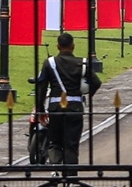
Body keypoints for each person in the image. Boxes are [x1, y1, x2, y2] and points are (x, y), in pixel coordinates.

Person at [34, 33, 101, 175]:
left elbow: (42, 88)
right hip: (75, 108)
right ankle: (71, 179)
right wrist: (85, 95)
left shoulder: (49, 63)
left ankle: (55, 170)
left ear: (58, 46)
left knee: (55, 142)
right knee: (71, 145)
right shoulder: (83, 63)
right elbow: (96, 82)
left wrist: (40, 110)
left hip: (55, 108)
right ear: (73, 46)